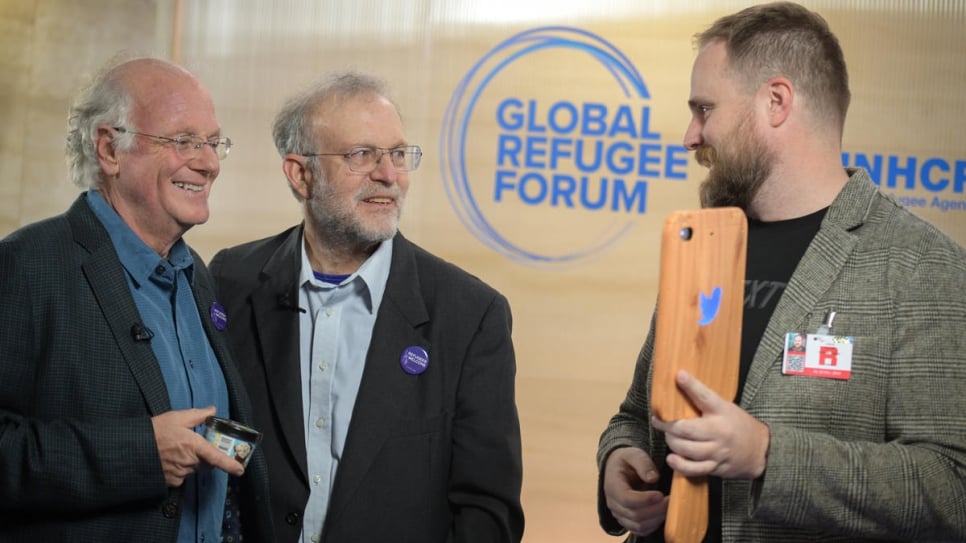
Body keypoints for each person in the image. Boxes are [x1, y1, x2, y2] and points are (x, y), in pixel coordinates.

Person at [597, 3, 966, 542]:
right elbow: (636, 411)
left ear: (776, 101)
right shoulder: (703, 244)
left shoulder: (921, 268)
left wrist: (768, 455)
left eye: (704, 109)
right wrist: (620, 459)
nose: (690, 136)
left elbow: (950, 486)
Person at [209, 70, 524, 543]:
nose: (389, 175)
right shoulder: (230, 280)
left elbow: (488, 512)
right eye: (362, 155)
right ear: (300, 173)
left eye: (398, 154)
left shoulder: (472, 315)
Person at [0, 56, 273, 542]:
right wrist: (141, 454)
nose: (209, 163)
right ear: (110, 149)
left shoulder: (198, 279)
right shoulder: (27, 266)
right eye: (184, 141)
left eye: (213, 143)